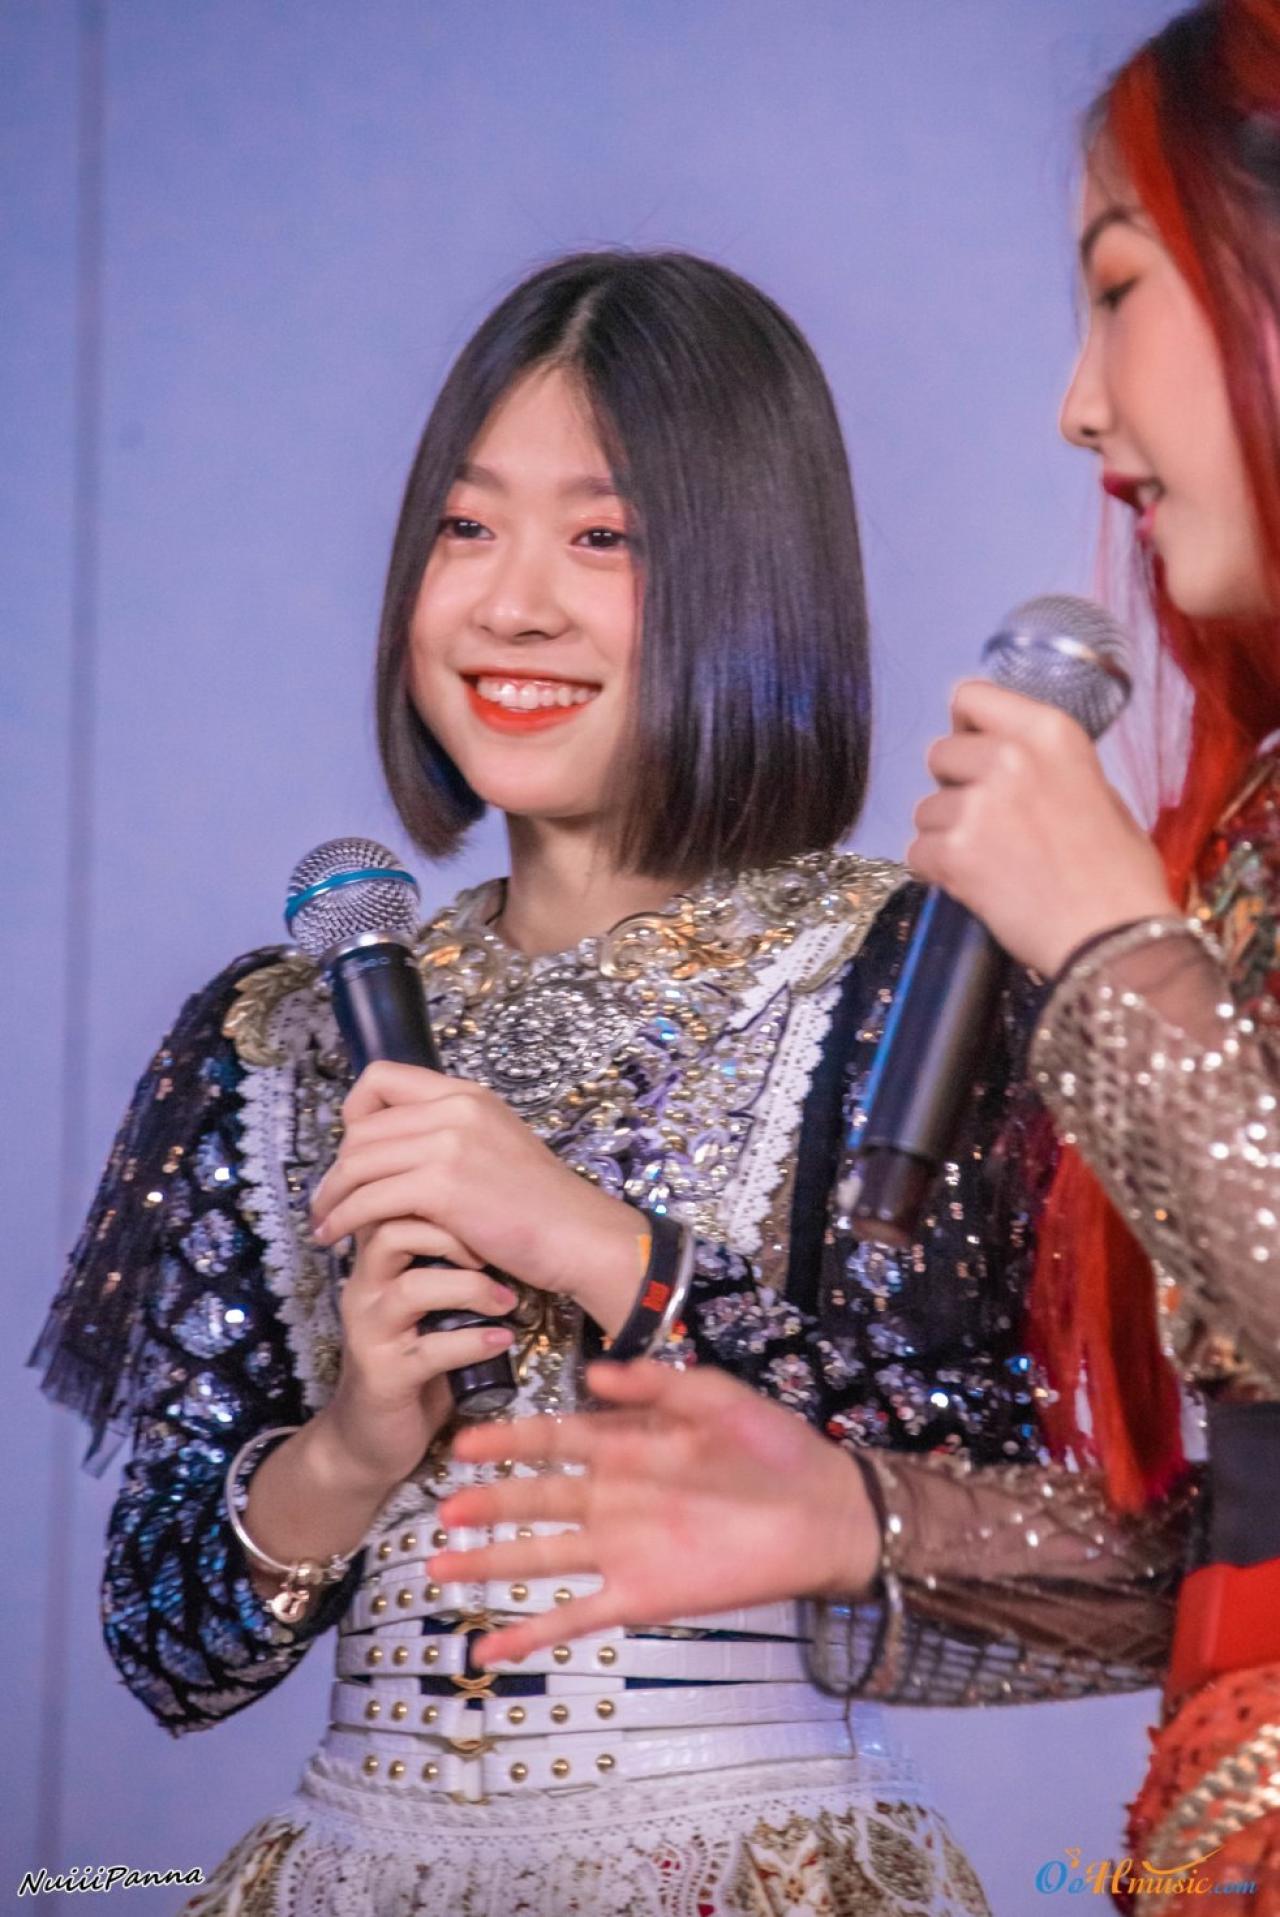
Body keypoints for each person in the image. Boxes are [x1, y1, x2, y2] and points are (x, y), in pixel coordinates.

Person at [31, 248, 1146, 1917]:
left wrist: (604, 1248)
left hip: (754, 1863)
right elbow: (167, 1648)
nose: (512, 604)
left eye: (602, 537)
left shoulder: (917, 979)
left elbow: (1009, 1511)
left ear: (752, 574)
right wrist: (352, 1442)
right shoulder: (282, 1034)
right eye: (465, 528)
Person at [433, 5, 1280, 1908]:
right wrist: (847, 1514)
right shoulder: (1248, 832)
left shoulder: (962, 962)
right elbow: (1219, 1537)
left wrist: (1109, 950)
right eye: (466, 526)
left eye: (1119, 291)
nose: (1079, 406)